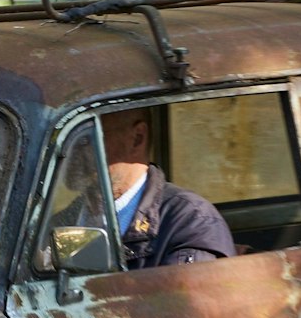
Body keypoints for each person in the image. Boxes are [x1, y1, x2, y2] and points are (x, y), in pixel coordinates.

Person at [98, 109, 235, 268]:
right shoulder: (76, 215)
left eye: (90, 138)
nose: (78, 153)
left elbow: (184, 284)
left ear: (137, 138)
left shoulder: (190, 221)